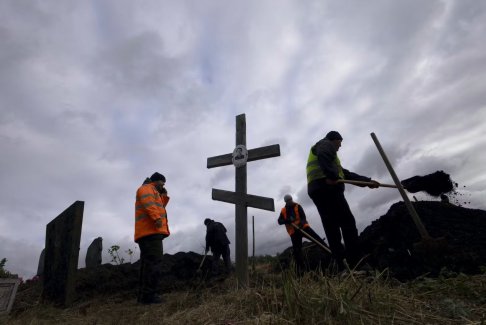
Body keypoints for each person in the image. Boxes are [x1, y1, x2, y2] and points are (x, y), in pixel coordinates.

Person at [306, 131, 379, 270]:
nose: (340, 146)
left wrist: (367, 182)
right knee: (348, 223)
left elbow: (346, 174)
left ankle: (340, 265)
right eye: (340, 142)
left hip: (317, 190)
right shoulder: (325, 144)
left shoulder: (329, 157)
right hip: (328, 189)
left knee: (331, 227)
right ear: (334, 139)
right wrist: (332, 176)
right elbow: (327, 160)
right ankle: (356, 262)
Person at [134, 172, 170, 304]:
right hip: (150, 233)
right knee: (154, 263)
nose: (163, 185)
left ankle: (144, 297)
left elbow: (159, 206)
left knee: (148, 265)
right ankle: (149, 297)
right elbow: (150, 205)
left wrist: (163, 196)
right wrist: (156, 218)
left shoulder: (152, 190)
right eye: (162, 182)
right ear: (156, 181)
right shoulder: (147, 189)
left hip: (147, 233)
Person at [278, 194, 328, 274]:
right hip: (294, 232)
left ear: (292, 199)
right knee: (297, 251)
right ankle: (301, 269)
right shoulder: (283, 210)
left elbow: (303, 217)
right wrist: (286, 220)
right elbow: (279, 221)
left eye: (290, 200)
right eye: (288, 201)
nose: (290, 201)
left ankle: (328, 251)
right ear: (286, 202)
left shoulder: (298, 206)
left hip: (304, 228)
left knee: (317, 239)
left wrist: (301, 224)